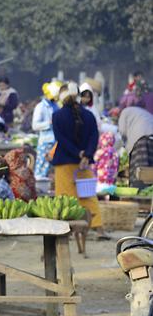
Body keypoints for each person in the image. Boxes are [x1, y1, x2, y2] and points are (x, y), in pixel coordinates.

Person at [51, 82, 102, 230]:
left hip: (64, 162)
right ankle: (98, 227)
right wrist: (86, 155)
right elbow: (94, 137)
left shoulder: (57, 116)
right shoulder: (89, 115)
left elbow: (61, 140)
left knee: (65, 197)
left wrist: (77, 153)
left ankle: (67, 227)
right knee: (88, 196)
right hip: (84, 164)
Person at [118, 106, 153, 188]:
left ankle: (139, 189)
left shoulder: (124, 112)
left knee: (139, 168)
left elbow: (122, 131)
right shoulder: (142, 112)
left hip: (141, 138)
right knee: (150, 167)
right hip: (151, 137)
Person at [32, 81, 60, 180]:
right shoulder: (40, 107)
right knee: (41, 169)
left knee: (52, 170)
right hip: (45, 141)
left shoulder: (56, 106)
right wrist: (49, 123)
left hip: (56, 141)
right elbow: (35, 125)